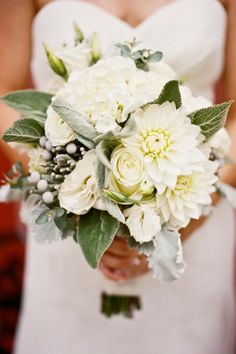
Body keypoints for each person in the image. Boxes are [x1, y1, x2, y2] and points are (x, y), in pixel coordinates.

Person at [0, 0, 236, 353]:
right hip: (70, 221)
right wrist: (70, 192)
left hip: (192, 207)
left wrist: (194, 210)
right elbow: (4, 96)